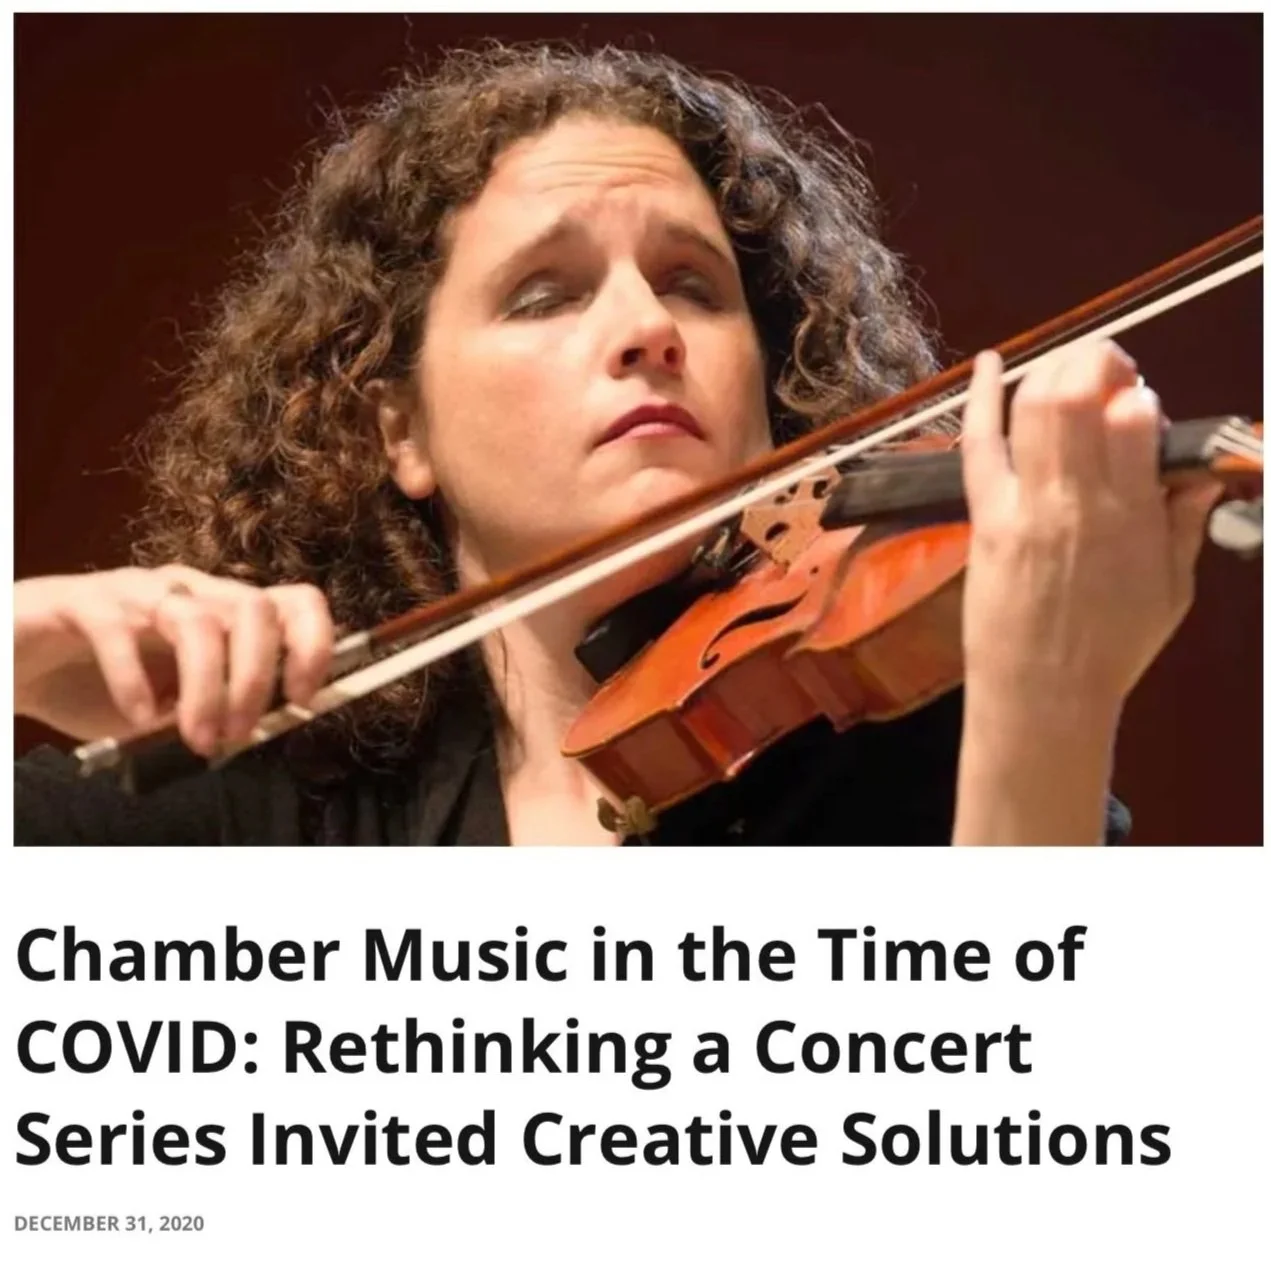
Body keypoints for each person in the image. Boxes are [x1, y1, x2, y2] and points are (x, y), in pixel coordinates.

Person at [13, 43, 1221, 846]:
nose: (647, 328)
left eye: (694, 285)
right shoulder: (271, 810)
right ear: (399, 429)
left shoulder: (919, 767)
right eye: (545, 294)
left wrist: (1050, 705)